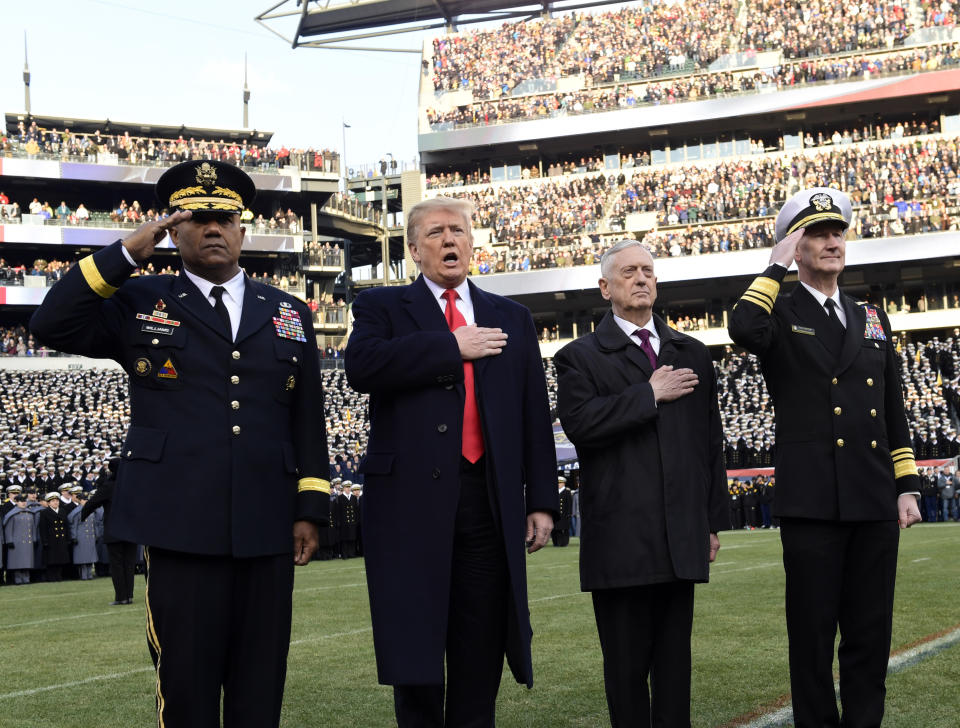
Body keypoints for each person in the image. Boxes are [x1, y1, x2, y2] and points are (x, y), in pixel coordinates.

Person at [30, 159, 331, 728]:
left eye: (223, 218)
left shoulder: (290, 312)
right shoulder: (140, 301)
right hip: (179, 526)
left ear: (243, 229)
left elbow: (307, 419)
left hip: (267, 525)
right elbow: (51, 323)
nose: (211, 228)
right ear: (173, 230)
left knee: (260, 689)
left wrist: (310, 508)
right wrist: (124, 253)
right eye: (194, 218)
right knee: (187, 689)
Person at [345, 196, 558, 727]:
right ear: (415, 250)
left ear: (471, 243)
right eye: (436, 233)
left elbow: (534, 416)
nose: (449, 240)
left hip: (486, 501)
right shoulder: (383, 308)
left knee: (480, 643)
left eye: (458, 231)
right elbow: (363, 367)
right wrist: (449, 346)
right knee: (416, 649)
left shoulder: (512, 316)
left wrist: (542, 502)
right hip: (409, 506)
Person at [728, 187, 922, 727]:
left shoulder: (872, 316)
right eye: (817, 234)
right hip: (812, 498)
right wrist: (774, 267)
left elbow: (892, 409)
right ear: (796, 244)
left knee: (869, 630)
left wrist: (905, 485)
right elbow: (742, 328)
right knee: (812, 635)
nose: (832, 242)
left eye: (837, 232)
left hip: (871, 495)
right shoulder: (781, 310)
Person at [554, 240, 728, 727]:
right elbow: (581, 425)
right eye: (629, 271)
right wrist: (646, 395)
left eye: (648, 270)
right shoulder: (579, 357)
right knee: (627, 674)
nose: (641, 278)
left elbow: (707, 444)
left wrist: (712, 522)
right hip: (621, 542)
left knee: (675, 671)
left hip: (680, 537)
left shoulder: (690, 351)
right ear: (605, 287)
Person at [552, 476, 573, 547]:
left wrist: (569, 514)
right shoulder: (554, 492)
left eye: (560, 483)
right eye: (558, 483)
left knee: (564, 529)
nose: (558, 484)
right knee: (555, 529)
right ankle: (556, 543)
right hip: (556, 515)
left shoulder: (567, 492)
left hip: (564, 515)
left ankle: (564, 543)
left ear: (564, 483)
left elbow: (569, 504)